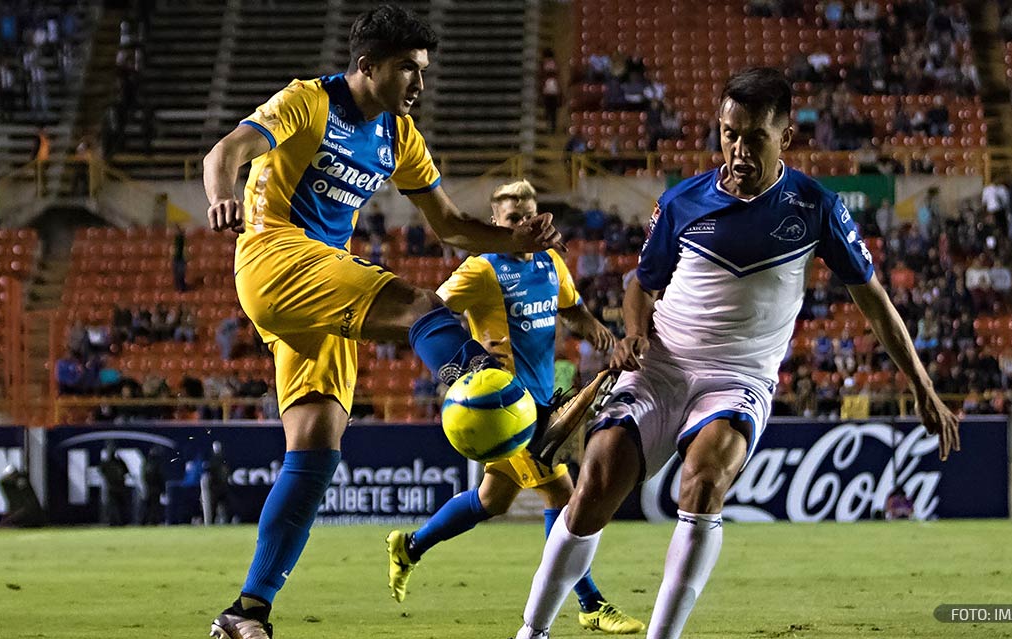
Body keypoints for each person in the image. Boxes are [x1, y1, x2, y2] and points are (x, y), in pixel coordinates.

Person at [511, 68, 960, 639]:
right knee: (595, 478)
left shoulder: (815, 206)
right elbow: (641, 285)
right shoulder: (682, 200)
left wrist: (922, 387)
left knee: (703, 479)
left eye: (754, 137)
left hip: (738, 377)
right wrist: (631, 332)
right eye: (728, 134)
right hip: (661, 367)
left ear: (786, 139)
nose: (738, 150)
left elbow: (874, 302)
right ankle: (532, 631)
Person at [202, 7, 563, 638]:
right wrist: (220, 195)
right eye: (407, 69)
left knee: (316, 449)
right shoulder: (307, 102)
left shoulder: (399, 135)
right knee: (424, 308)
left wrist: (513, 239)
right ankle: (482, 387)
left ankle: (245, 612)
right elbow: (225, 152)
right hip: (271, 254)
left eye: (423, 71)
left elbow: (450, 227)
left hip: (321, 281)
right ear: (366, 67)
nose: (418, 84)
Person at [384, 180, 641, 633]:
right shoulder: (482, 269)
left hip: (543, 402)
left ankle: (410, 546)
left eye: (528, 217)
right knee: (563, 497)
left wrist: (597, 331)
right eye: (511, 220)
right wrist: (460, 369)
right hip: (507, 408)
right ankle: (591, 604)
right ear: (495, 224)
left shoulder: (550, 261)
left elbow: (572, 309)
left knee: (492, 500)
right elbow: (430, 312)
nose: (523, 225)